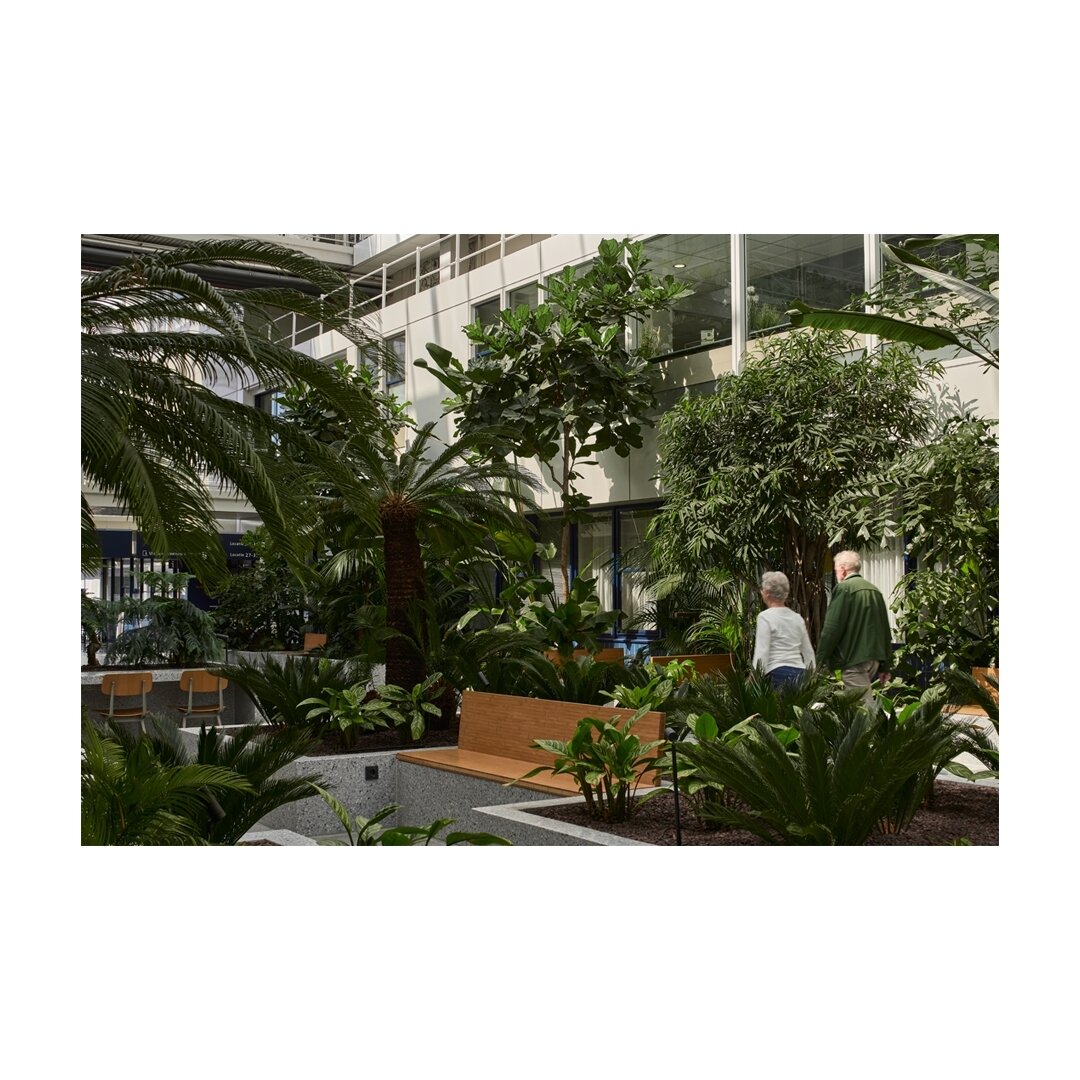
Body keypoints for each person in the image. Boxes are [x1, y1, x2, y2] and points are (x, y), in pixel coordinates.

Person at [815, 550, 892, 699]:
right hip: (873, 659)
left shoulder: (844, 588)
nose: (836, 572)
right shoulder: (874, 591)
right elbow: (885, 630)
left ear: (843, 569)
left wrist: (820, 660)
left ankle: (879, 722)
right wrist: (885, 666)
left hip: (853, 659)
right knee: (854, 704)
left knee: (863, 706)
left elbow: (832, 628)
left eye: (836, 568)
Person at [752, 571, 815, 690]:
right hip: (800, 674)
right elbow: (808, 652)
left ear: (767, 593)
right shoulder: (797, 618)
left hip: (775, 674)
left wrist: (755, 679)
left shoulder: (765, 617)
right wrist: (810, 678)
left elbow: (762, 651)